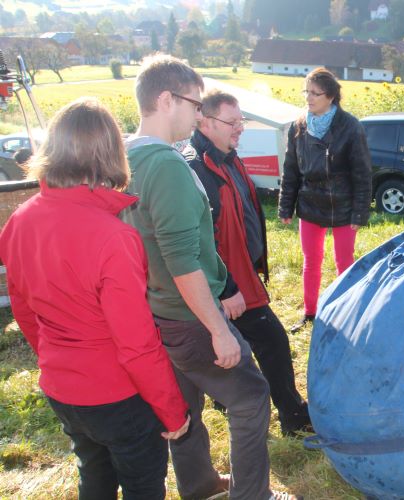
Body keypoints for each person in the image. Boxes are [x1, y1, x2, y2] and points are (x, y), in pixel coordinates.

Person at [122, 55, 297, 500]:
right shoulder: (166, 164)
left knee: (183, 404)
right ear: (166, 100)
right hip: (188, 315)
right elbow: (182, 257)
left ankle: (199, 484)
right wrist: (219, 328)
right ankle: (252, 495)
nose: (198, 114)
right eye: (193, 104)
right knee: (252, 396)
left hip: (154, 311)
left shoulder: (126, 155)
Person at [0, 97, 190, 499]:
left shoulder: (20, 219)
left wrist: (59, 361)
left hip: (61, 387)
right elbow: (136, 343)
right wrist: (173, 410)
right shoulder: (113, 236)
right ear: (111, 155)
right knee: (142, 485)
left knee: (95, 476)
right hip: (117, 395)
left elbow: (24, 309)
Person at [184, 88, 312, 436]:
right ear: (206, 121)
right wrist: (226, 288)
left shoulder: (229, 155)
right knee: (271, 341)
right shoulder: (197, 166)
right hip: (228, 283)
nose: (239, 128)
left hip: (243, 274)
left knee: (232, 343)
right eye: (232, 122)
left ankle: (228, 403)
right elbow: (200, 240)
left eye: (242, 121)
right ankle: (293, 416)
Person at [278, 67, 372, 333]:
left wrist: (359, 213)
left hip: (343, 203)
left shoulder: (351, 126)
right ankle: (310, 313)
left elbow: (363, 173)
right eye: (306, 91)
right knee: (311, 262)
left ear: (330, 96)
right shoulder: (298, 126)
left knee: (344, 262)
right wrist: (286, 205)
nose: (308, 98)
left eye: (315, 93)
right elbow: (291, 169)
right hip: (309, 204)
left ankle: (347, 312)